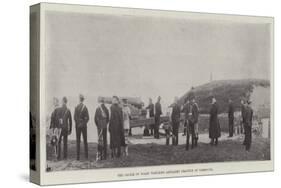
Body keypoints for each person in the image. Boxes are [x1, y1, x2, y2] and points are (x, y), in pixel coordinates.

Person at [74, 94, 89, 160]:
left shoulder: (76, 107)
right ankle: (86, 156)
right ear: (83, 99)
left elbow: (74, 117)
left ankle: (78, 157)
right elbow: (88, 118)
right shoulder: (85, 107)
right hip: (84, 126)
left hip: (78, 126)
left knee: (78, 141)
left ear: (79, 99)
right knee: (85, 141)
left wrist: (78, 123)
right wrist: (83, 123)